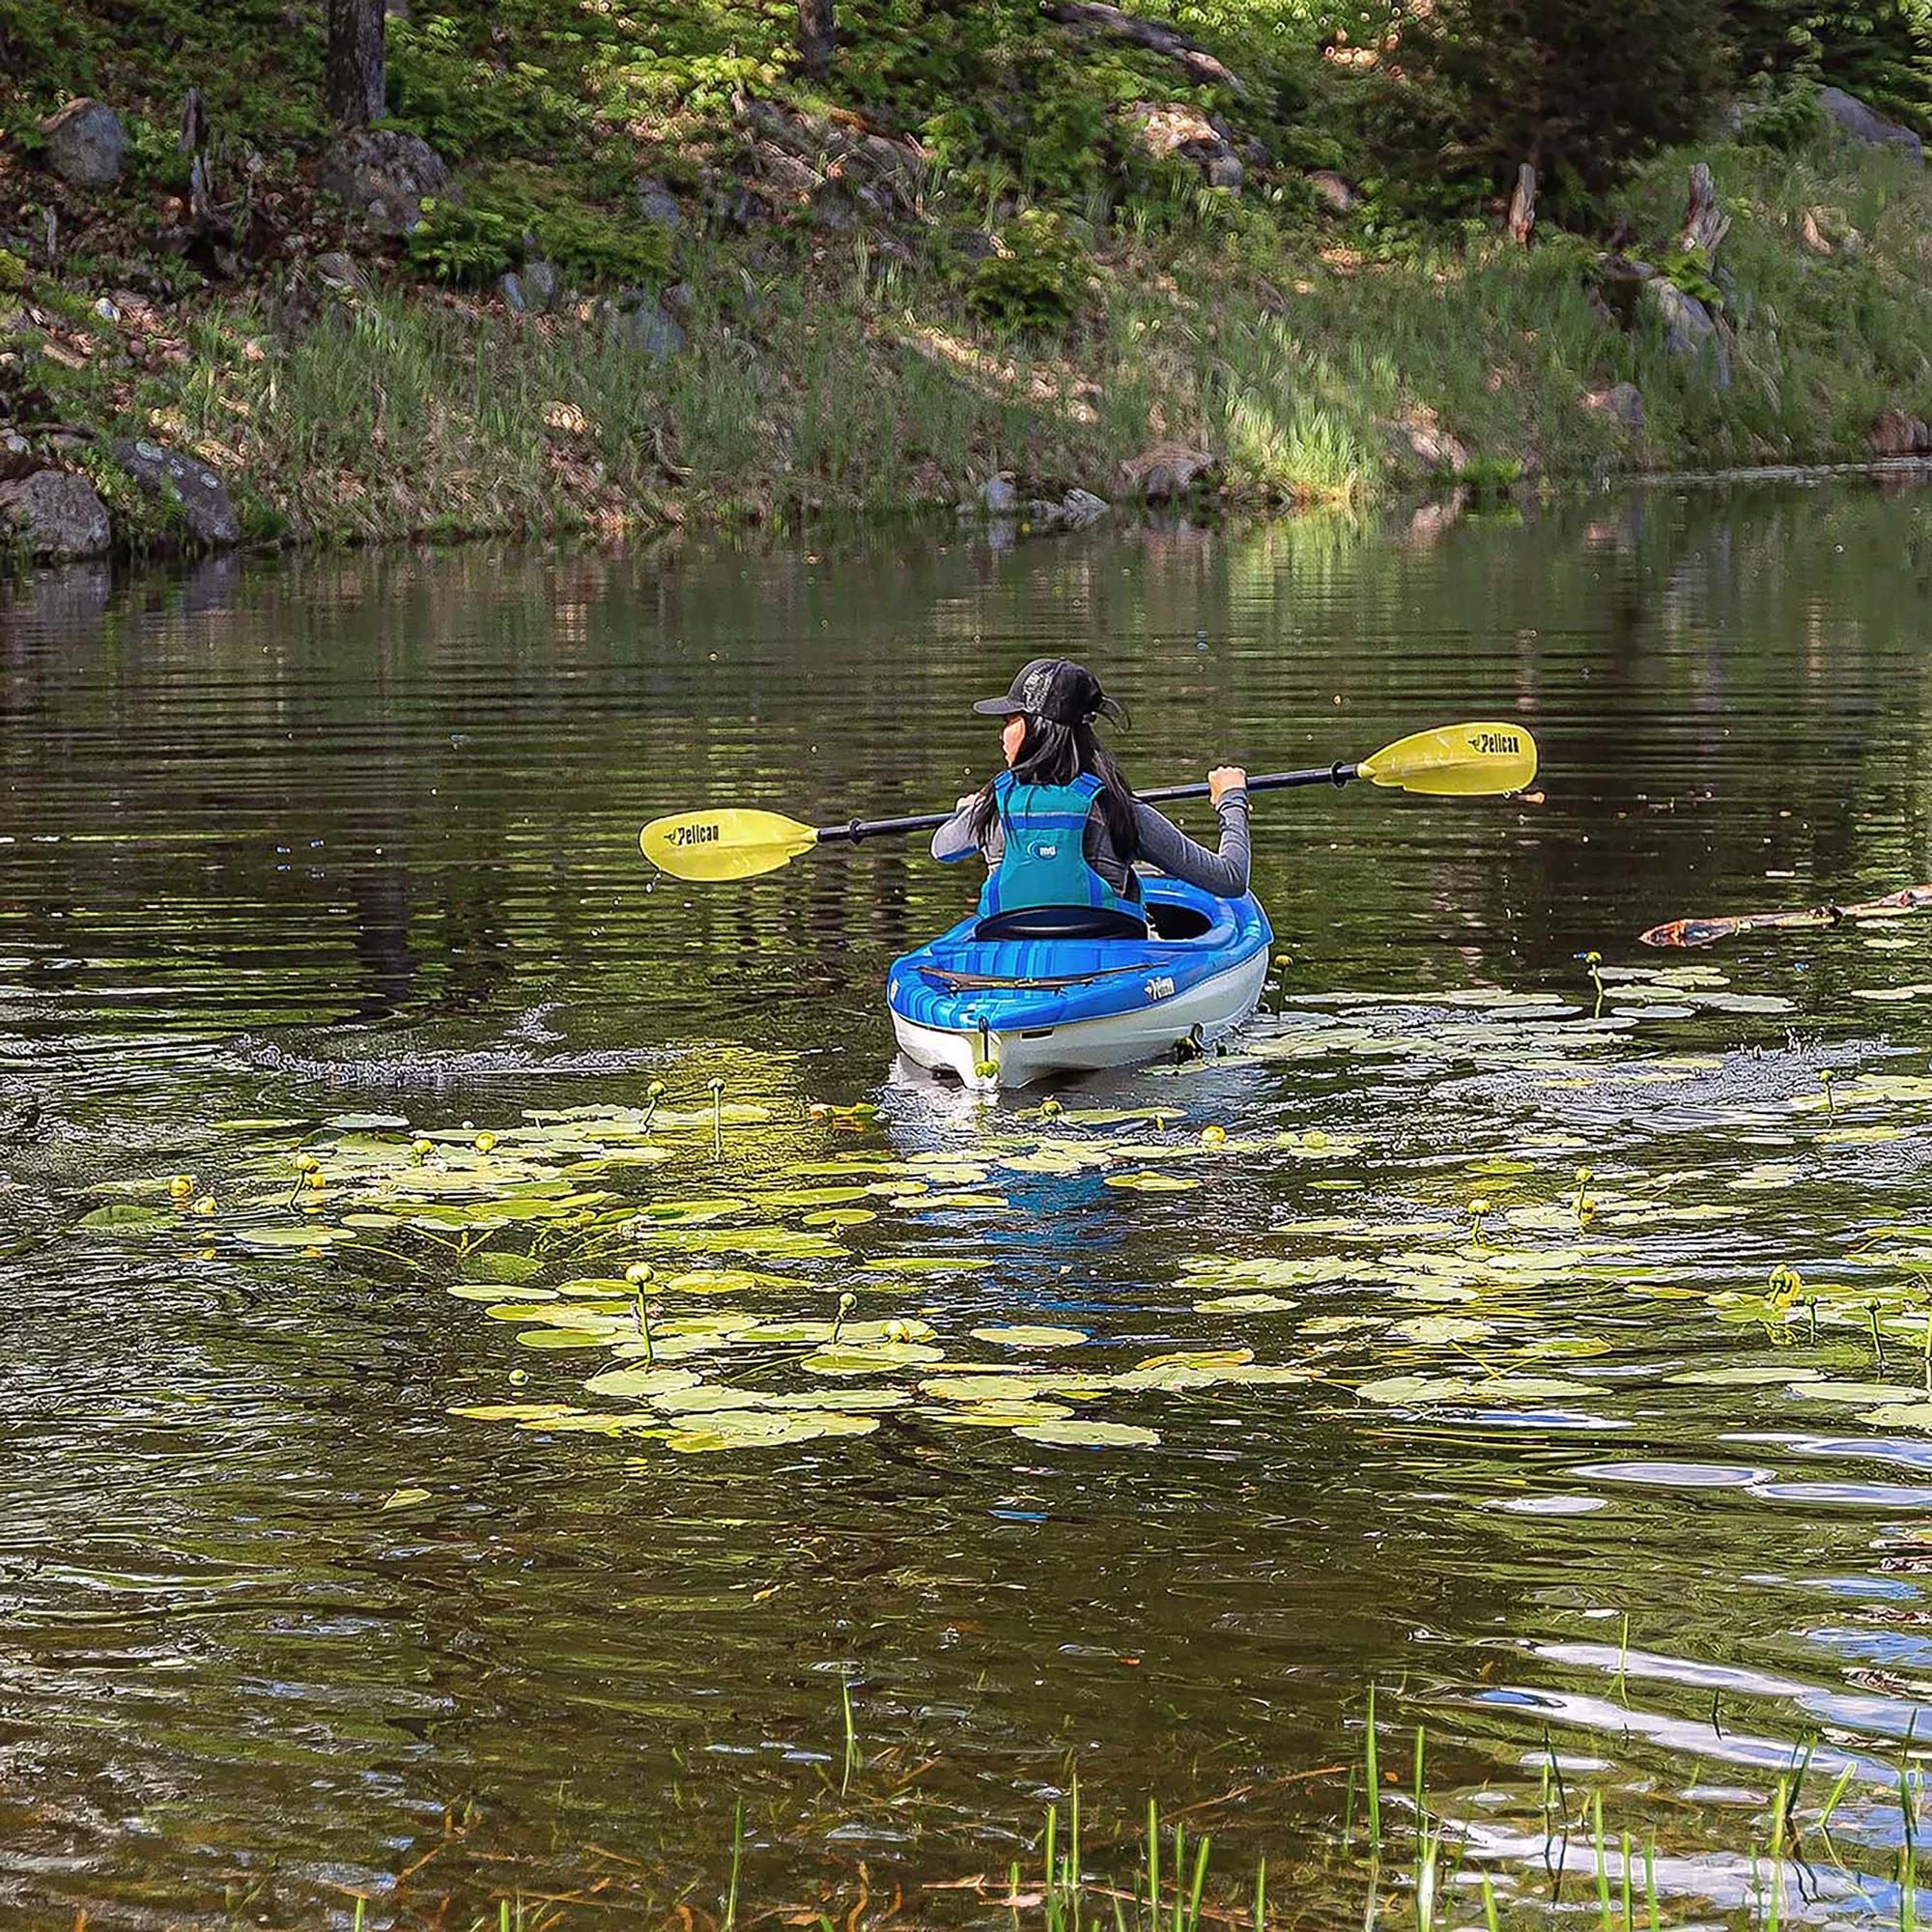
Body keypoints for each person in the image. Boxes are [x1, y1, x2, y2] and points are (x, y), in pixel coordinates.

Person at [931, 658, 1250, 935]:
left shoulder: (992, 808)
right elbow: (1231, 879)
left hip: (1011, 964)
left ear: (1036, 729)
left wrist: (968, 812)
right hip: (1109, 963)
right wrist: (1231, 797)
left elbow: (942, 848)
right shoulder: (1121, 810)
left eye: (1009, 721)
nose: (1002, 734)